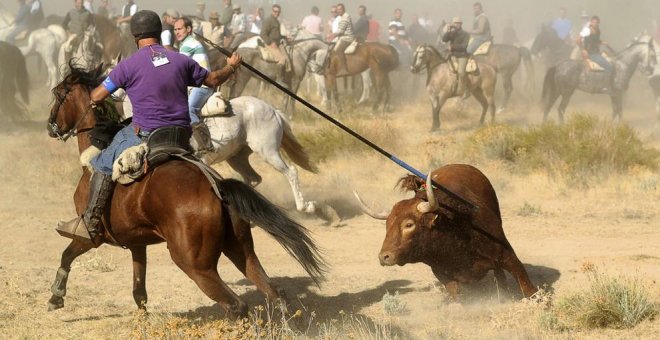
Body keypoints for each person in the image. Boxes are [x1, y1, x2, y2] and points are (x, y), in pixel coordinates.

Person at [56, 10, 242, 246]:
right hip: (181, 135)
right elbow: (214, 80)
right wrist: (232, 66)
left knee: (101, 162)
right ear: (159, 32)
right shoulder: (181, 59)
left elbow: (96, 96)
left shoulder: (128, 65)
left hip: (146, 134)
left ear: (135, 36)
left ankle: (90, 223)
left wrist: (105, 87)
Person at [174, 16, 216, 153]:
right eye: (175, 29)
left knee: (189, 109)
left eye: (180, 29)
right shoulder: (186, 43)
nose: (177, 32)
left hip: (203, 86)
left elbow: (178, 68)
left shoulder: (188, 44)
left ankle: (205, 143)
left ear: (188, 29)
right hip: (196, 85)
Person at [442, 17, 470, 95]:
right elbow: (444, 39)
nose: (456, 24)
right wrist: (448, 31)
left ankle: (465, 89)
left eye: (458, 23)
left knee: (461, 72)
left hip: (462, 55)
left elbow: (464, 46)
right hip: (452, 55)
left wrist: (452, 47)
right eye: (455, 23)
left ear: (461, 24)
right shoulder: (451, 33)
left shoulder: (465, 34)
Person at [260, 4, 288, 71]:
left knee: (287, 57)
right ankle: (279, 78)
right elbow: (263, 34)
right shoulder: (268, 20)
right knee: (282, 59)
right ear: (272, 11)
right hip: (270, 44)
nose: (277, 13)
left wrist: (285, 38)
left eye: (278, 12)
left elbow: (277, 34)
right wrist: (270, 43)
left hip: (277, 43)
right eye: (275, 11)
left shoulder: (276, 21)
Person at [332, 3, 355, 74]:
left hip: (347, 38)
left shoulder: (345, 17)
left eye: (340, 9)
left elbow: (340, 31)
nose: (339, 11)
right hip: (344, 37)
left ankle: (343, 69)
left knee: (339, 50)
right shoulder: (343, 17)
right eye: (338, 9)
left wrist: (330, 35)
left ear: (344, 9)